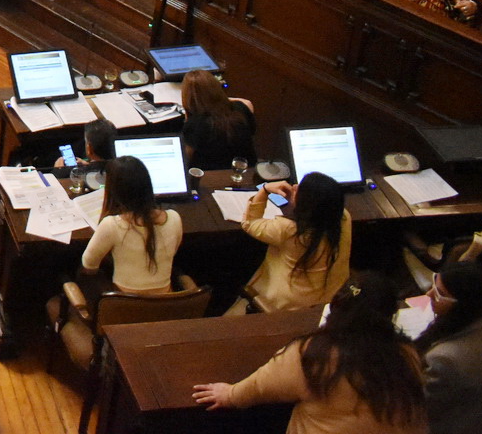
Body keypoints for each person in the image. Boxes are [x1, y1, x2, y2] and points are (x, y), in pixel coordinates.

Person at [193, 273, 425, 434]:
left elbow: (258, 388)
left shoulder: (315, 355)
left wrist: (229, 394)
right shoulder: (408, 354)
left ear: (336, 307)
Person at [417, 258, 482, 434]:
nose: (429, 295)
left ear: (463, 306)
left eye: (440, 293)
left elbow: (416, 407)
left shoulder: (444, 360)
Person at [239, 171, 351, 313]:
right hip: (331, 301)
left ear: (306, 203)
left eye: (301, 189)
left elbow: (250, 223)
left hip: (285, 306)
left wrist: (265, 190)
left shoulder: (290, 229)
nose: (295, 186)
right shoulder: (344, 217)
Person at [78, 156, 183, 292]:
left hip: (123, 305)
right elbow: (172, 252)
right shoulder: (174, 218)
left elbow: (89, 266)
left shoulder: (111, 225)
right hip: (165, 304)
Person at [179, 69, 257, 171]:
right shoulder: (242, 108)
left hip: (212, 176)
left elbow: (186, 159)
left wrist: (187, 116)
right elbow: (246, 102)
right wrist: (217, 99)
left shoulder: (194, 124)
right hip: (246, 170)